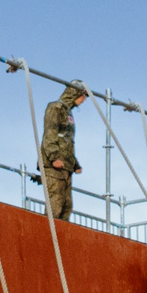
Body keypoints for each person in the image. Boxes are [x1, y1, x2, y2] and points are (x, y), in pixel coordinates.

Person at [40, 81, 86, 220]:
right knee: (56, 203)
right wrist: (54, 157)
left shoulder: (68, 112)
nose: (84, 100)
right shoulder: (55, 108)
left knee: (67, 206)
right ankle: (48, 235)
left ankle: (59, 239)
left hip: (66, 166)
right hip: (55, 165)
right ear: (75, 93)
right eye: (83, 95)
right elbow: (50, 134)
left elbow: (67, 141)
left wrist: (75, 164)